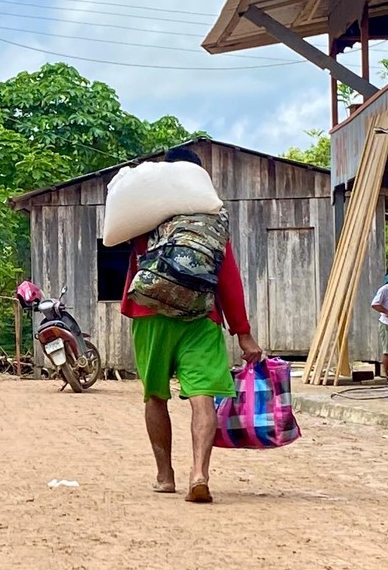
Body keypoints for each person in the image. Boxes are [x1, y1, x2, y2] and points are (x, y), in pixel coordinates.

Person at [120, 147, 262, 505]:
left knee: (156, 395)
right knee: (203, 397)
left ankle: (164, 476)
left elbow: (119, 239)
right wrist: (243, 333)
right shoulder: (211, 222)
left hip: (150, 313)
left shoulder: (145, 214)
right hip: (201, 315)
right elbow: (228, 279)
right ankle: (199, 474)